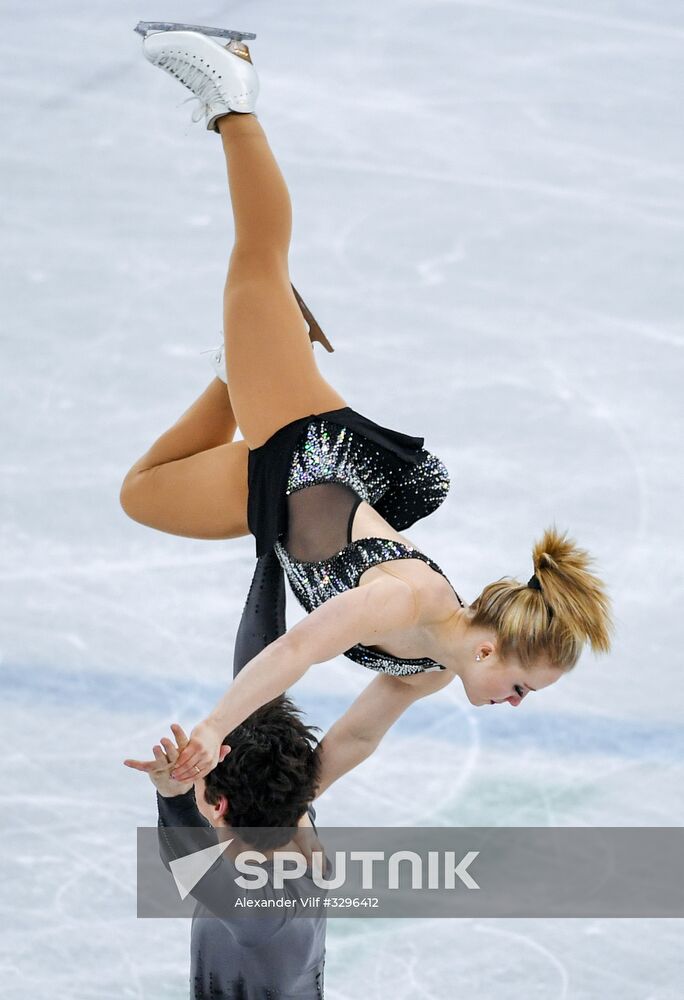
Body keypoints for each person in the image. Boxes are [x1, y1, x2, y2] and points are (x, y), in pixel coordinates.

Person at [119, 24, 613, 785]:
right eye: (521, 688)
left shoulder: (430, 667)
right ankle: (233, 95)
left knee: (142, 495)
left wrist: (287, 820)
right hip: (301, 438)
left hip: (274, 500)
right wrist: (213, 730)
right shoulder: (404, 599)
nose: (513, 703)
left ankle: (237, 368)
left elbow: (352, 740)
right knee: (257, 261)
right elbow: (296, 652)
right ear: (488, 649)